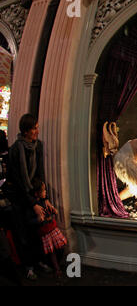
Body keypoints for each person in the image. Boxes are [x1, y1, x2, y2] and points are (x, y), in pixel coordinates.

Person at [5, 114, 46, 280]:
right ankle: (28, 267)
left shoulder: (38, 146)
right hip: (19, 197)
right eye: (34, 128)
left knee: (36, 231)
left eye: (37, 127)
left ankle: (38, 261)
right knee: (24, 233)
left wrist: (44, 197)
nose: (37, 131)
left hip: (33, 194)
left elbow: (39, 173)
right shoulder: (15, 149)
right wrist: (33, 204)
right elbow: (18, 180)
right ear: (26, 131)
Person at [30, 179, 66, 277]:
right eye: (44, 190)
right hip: (45, 231)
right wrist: (38, 220)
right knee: (52, 252)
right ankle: (56, 268)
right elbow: (30, 220)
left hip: (53, 228)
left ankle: (57, 264)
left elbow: (52, 211)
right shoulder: (34, 207)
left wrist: (54, 211)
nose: (46, 192)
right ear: (37, 193)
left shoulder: (44, 201)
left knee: (61, 246)